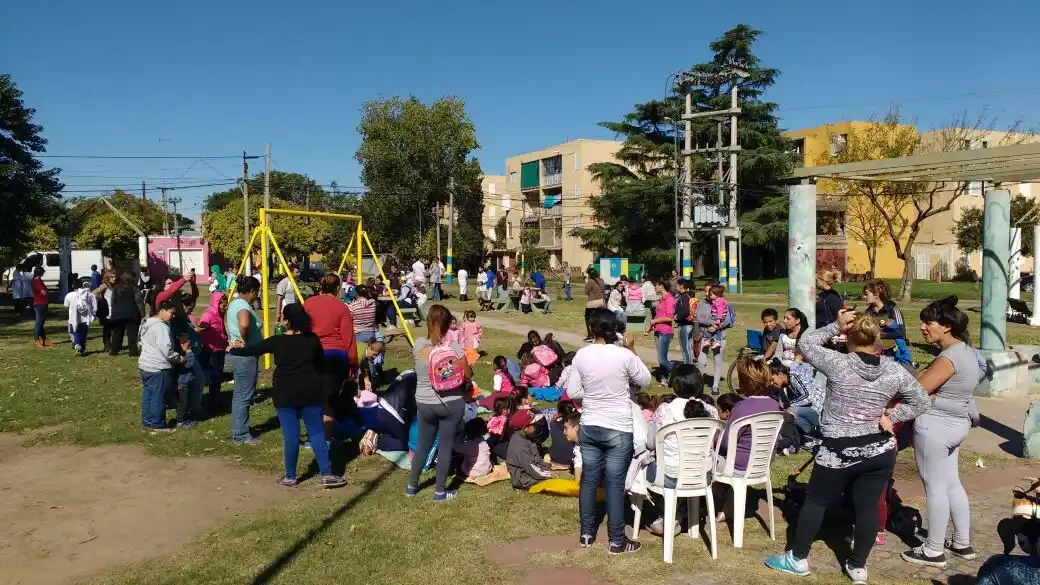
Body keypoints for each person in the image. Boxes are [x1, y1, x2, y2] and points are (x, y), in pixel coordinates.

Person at [766, 310, 930, 584]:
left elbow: (806, 344)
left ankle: (798, 558)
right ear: (877, 339)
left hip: (838, 449)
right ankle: (858, 566)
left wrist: (834, 325)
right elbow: (922, 401)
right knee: (866, 508)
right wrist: (891, 416)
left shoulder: (837, 363)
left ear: (848, 337)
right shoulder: (893, 369)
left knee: (816, 501)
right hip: (878, 449)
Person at [900, 296, 984, 568]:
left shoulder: (948, 358)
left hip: (935, 427)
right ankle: (961, 542)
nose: (923, 327)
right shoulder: (968, 352)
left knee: (935, 488)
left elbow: (917, 390)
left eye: (929, 323)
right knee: (951, 484)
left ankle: (933, 549)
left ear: (947, 326)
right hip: (956, 424)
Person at [229, 303, 347, 489]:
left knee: (290, 435)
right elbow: (321, 365)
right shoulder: (313, 339)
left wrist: (233, 349)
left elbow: (253, 350)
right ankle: (327, 474)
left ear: (285, 319)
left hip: (285, 392)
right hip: (310, 390)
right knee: (316, 433)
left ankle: (290, 476)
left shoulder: (277, 341)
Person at [564, 308, 651, 554]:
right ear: (616, 328)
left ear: (591, 328)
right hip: (618, 427)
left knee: (589, 480)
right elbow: (645, 380)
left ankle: (587, 533)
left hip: (590, 425)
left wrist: (593, 393)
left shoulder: (582, 355)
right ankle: (616, 541)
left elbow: (573, 392)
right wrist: (631, 347)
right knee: (614, 484)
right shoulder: (623, 355)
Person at [406, 304, 473, 501]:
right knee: (445, 446)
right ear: (447, 325)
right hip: (451, 403)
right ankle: (440, 492)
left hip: (424, 402)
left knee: (422, 445)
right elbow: (468, 374)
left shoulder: (419, 345)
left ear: (428, 322)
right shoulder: (454, 348)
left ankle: (412, 486)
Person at [643, 363, 717, 536]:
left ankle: (669, 512)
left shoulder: (664, 410)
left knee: (643, 465)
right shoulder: (712, 411)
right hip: (702, 475)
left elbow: (651, 443)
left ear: (674, 386)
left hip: (670, 476)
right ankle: (681, 510)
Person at [304, 273, 359, 440]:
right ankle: (326, 437)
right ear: (337, 288)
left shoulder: (308, 304)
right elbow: (348, 337)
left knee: (313, 397)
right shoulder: (341, 307)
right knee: (329, 400)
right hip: (335, 355)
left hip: (312, 353)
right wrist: (353, 362)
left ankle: (313, 434)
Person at [225, 276, 263, 445]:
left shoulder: (234, 303)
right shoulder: (242, 306)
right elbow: (245, 324)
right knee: (243, 395)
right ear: (253, 291)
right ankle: (240, 434)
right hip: (244, 356)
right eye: (257, 292)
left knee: (240, 394)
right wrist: (245, 339)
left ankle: (240, 428)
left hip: (238, 354)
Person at [138, 300, 185, 432]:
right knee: (158, 396)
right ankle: (157, 423)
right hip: (158, 367)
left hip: (145, 365)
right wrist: (180, 359)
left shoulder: (148, 323)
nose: (173, 316)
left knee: (148, 394)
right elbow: (167, 351)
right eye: (172, 313)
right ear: (162, 311)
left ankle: (147, 421)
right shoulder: (161, 327)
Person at [863, 280, 912, 367]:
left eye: (866, 294)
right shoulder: (868, 312)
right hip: (874, 352)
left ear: (876, 295)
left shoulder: (892, 309)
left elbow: (901, 333)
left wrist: (878, 333)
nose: (863, 297)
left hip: (893, 354)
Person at [506, 409, 552, 490]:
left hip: (531, 471)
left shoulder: (526, 437)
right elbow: (529, 467)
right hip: (523, 479)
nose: (537, 426)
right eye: (534, 424)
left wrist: (544, 467)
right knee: (550, 484)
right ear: (526, 428)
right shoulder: (520, 446)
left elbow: (536, 457)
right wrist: (547, 474)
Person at [197, 290, 228, 403]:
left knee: (218, 374)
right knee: (213, 375)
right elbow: (201, 329)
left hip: (220, 349)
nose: (224, 307)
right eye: (223, 305)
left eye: (226, 305)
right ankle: (213, 398)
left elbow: (222, 329)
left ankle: (216, 395)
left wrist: (225, 339)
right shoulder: (208, 314)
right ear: (216, 303)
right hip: (211, 350)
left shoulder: (220, 315)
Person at [645, 279, 675, 384]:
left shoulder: (669, 299)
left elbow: (669, 317)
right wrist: (651, 327)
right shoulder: (661, 299)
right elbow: (658, 315)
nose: (655, 287)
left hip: (665, 332)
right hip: (657, 330)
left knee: (662, 358)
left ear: (661, 286)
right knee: (661, 357)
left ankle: (676, 371)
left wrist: (655, 320)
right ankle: (663, 378)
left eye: (656, 285)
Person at [109, 272, 144, 357]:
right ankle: (132, 351)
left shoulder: (116, 288)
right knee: (132, 333)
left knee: (117, 333)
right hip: (131, 313)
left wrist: (114, 311)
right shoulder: (135, 288)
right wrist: (142, 313)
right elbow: (139, 301)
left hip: (117, 313)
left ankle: (114, 350)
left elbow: (112, 301)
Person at [63, 280, 97, 356]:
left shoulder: (69, 295)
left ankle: (76, 344)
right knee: (83, 334)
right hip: (85, 318)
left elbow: (66, 306)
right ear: (82, 285)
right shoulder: (87, 294)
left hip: (73, 318)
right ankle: (82, 349)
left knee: (74, 332)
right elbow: (93, 305)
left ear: (72, 286)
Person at [673, 279, 695, 364]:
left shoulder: (684, 297)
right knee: (688, 346)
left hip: (684, 325)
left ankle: (687, 367)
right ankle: (690, 365)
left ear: (681, 286)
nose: (676, 287)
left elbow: (686, 310)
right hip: (689, 324)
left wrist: (677, 316)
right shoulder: (689, 295)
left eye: (677, 285)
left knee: (684, 347)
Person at [704, 284, 730, 350]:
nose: (709, 296)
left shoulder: (718, 301)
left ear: (717, 295)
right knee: (719, 330)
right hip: (720, 317)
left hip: (717, 317)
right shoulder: (721, 300)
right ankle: (718, 341)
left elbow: (720, 310)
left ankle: (707, 340)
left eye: (711, 294)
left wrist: (718, 319)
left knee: (710, 330)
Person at [583, 268, 606, 342]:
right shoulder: (601, 280)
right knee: (599, 319)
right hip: (601, 302)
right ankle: (599, 334)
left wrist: (586, 280)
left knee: (588, 319)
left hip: (592, 302)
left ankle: (590, 335)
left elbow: (586, 292)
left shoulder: (590, 281)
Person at [31, 266, 49, 348]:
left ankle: (44, 339)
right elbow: (43, 292)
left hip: (43, 303)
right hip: (39, 304)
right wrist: (45, 292)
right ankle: (36, 340)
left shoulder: (39, 280)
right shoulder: (36, 281)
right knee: (38, 323)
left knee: (41, 323)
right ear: (40, 272)